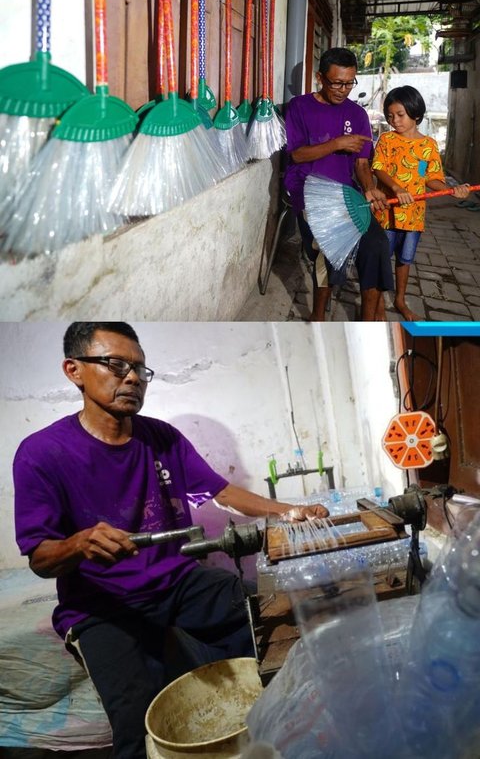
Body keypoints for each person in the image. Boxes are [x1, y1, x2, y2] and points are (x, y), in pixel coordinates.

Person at [13, 322, 329, 759]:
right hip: (101, 606)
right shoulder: (42, 453)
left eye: (140, 370)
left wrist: (290, 511)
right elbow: (40, 557)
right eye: (115, 364)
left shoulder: (161, 438)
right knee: (140, 728)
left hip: (177, 582)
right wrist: (79, 544)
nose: (131, 378)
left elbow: (221, 492)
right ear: (74, 370)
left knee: (272, 624)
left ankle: (276, 733)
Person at [284, 47, 393, 321]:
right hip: (308, 189)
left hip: (346, 194)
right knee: (327, 246)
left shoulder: (357, 115)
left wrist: (368, 187)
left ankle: (368, 320)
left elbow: (361, 164)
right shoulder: (299, 107)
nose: (343, 90)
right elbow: (296, 155)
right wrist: (337, 143)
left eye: (349, 83)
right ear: (321, 78)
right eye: (337, 83)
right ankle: (318, 316)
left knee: (377, 244)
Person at [372, 85, 470, 321]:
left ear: (416, 113)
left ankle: (399, 300)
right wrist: (396, 187)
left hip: (413, 215)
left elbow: (432, 179)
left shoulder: (428, 146)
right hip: (386, 213)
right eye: (390, 115)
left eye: (400, 115)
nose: (395, 120)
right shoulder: (386, 140)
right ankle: (376, 306)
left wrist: (451, 190)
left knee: (405, 259)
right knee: (381, 259)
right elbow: (378, 168)